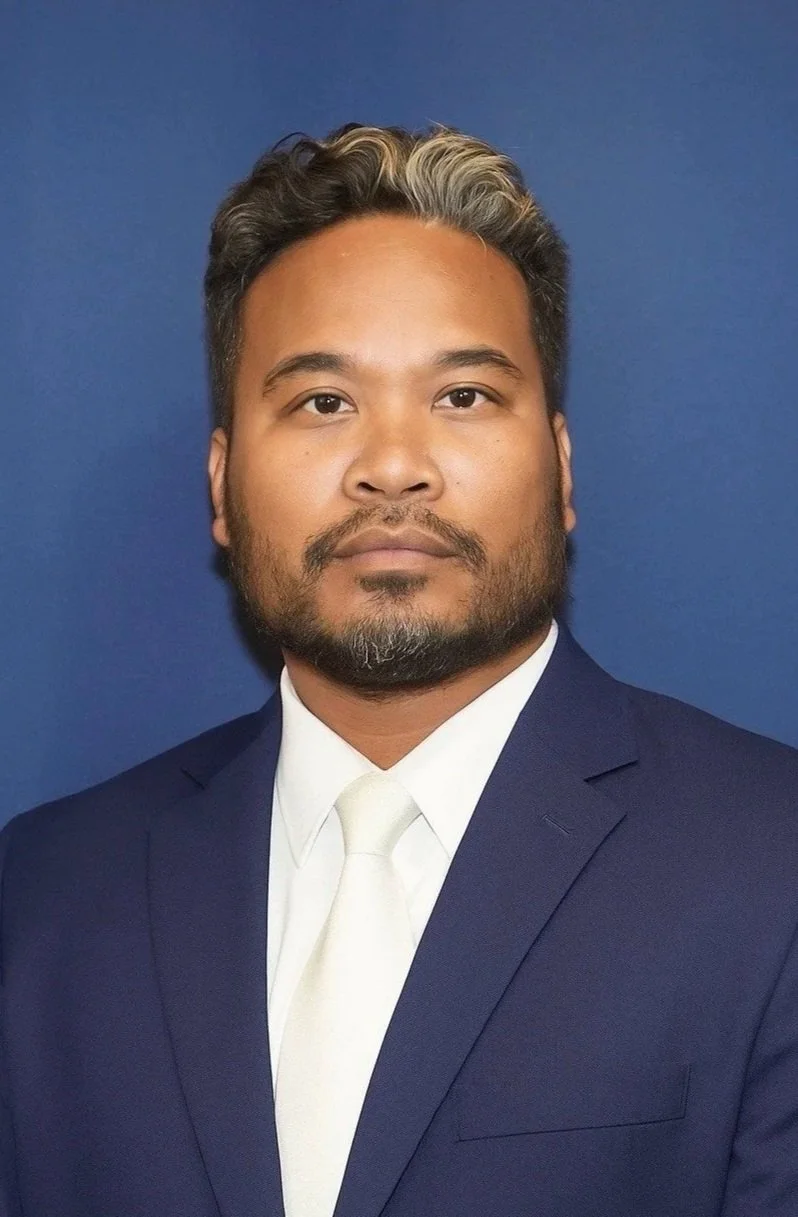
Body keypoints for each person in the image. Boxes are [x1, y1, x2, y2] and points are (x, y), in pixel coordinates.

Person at [2, 123, 797, 1217]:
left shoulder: (773, 863)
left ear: (561, 467)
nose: (391, 467)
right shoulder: (42, 895)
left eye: (463, 396)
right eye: (323, 402)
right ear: (223, 486)